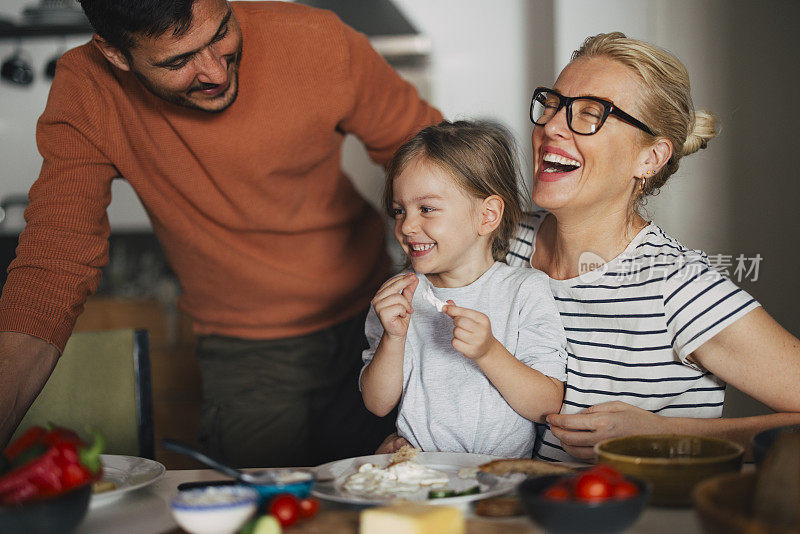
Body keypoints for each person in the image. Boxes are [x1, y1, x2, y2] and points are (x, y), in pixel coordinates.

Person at [0, 0, 442, 467]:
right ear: (116, 55)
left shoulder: (316, 39)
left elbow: (433, 155)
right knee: (256, 507)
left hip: (376, 322)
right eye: (178, 60)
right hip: (245, 350)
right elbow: (54, 265)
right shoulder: (89, 89)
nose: (214, 71)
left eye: (220, 33)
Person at [502, 32, 800, 461]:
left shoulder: (678, 286)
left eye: (591, 113)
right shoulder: (497, 244)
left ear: (651, 158)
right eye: (552, 104)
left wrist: (661, 433)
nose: (551, 126)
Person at [360, 121, 567, 458]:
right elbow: (377, 404)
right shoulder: (396, 298)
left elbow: (546, 405)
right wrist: (392, 339)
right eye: (400, 211)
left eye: (426, 209)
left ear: (487, 216)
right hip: (421, 476)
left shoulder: (525, 290)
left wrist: (488, 352)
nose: (407, 226)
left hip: (502, 482)